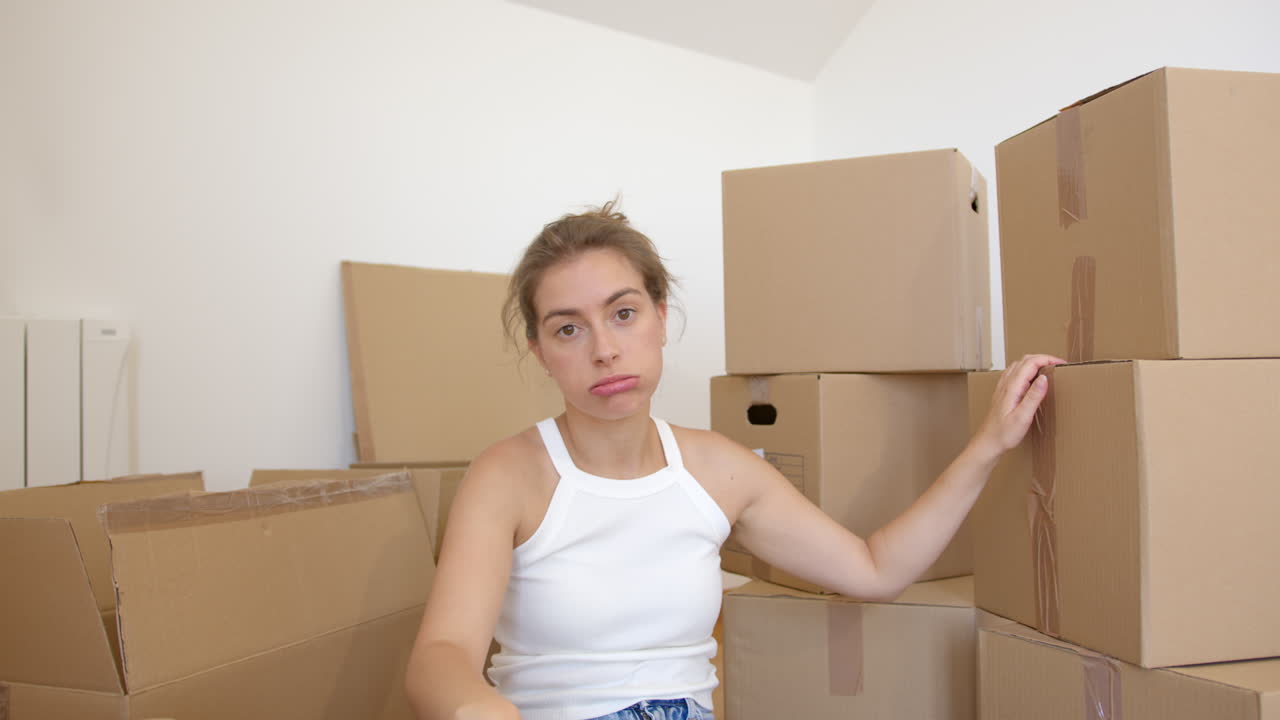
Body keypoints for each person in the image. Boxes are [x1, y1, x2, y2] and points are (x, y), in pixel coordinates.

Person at [404, 201, 1063, 720]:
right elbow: (441, 654)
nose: (603, 349)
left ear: (661, 317)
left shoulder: (716, 469)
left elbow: (874, 570)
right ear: (541, 351)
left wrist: (987, 446)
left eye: (623, 313)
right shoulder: (506, 475)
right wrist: (479, 710)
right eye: (568, 328)